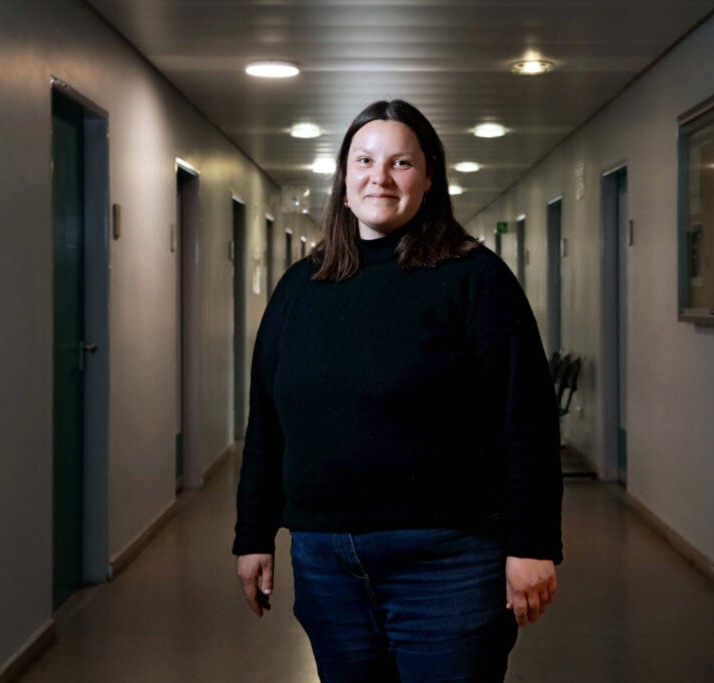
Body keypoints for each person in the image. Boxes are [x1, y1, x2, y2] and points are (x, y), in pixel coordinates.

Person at [233, 99, 563, 683]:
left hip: (448, 560)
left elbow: (526, 418)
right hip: (326, 561)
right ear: (343, 179)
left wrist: (531, 544)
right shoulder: (300, 289)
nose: (379, 178)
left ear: (429, 178)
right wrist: (253, 534)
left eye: (401, 163)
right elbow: (268, 422)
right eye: (363, 160)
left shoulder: (476, 279)